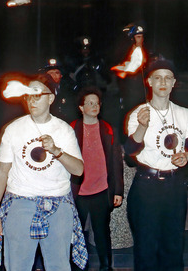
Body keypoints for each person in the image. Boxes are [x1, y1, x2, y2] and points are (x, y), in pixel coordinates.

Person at [0, 75, 87, 271]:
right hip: (20, 202)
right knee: (17, 266)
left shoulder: (64, 130)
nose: (32, 100)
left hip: (58, 204)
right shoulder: (14, 129)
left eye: (37, 95)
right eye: (28, 96)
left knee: (59, 265)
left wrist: (57, 151)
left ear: (51, 98)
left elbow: (78, 170)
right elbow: (1, 172)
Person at [124, 58, 188, 271]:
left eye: (167, 78)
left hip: (174, 187)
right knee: (146, 248)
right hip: (147, 186)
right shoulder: (139, 113)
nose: (162, 82)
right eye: (157, 78)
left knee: (173, 247)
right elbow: (130, 152)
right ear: (149, 81)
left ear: (174, 82)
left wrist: (187, 157)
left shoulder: (183, 113)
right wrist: (141, 126)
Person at [70, 87, 123, 271]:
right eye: (89, 103)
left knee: (102, 233)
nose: (94, 106)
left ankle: (106, 267)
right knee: (77, 234)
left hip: (101, 190)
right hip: (79, 193)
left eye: (96, 103)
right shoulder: (71, 128)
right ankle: (77, 267)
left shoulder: (108, 129)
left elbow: (116, 162)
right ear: (81, 107)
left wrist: (117, 191)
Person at [40, 58, 77, 123]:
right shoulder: (41, 92)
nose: (54, 75)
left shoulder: (69, 90)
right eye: (51, 73)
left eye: (57, 73)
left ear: (61, 75)